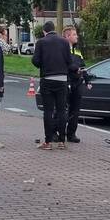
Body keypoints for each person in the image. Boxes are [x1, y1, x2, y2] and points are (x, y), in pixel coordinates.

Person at [32, 21, 72, 150]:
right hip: (62, 79)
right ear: (54, 29)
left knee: (48, 111)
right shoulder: (65, 42)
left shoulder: (41, 42)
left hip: (47, 79)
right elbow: (69, 61)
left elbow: (35, 61)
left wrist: (43, 64)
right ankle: (62, 141)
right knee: (61, 111)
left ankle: (48, 142)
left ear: (44, 31)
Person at [63, 26, 89, 143]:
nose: (76, 36)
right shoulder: (62, 49)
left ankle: (71, 134)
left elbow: (82, 66)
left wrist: (87, 80)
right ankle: (58, 132)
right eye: (74, 34)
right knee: (62, 110)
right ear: (67, 36)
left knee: (75, 110)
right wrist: (75, 69)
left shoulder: (77, 50)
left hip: (77, 83)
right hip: (66, 82)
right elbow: (65, 65)